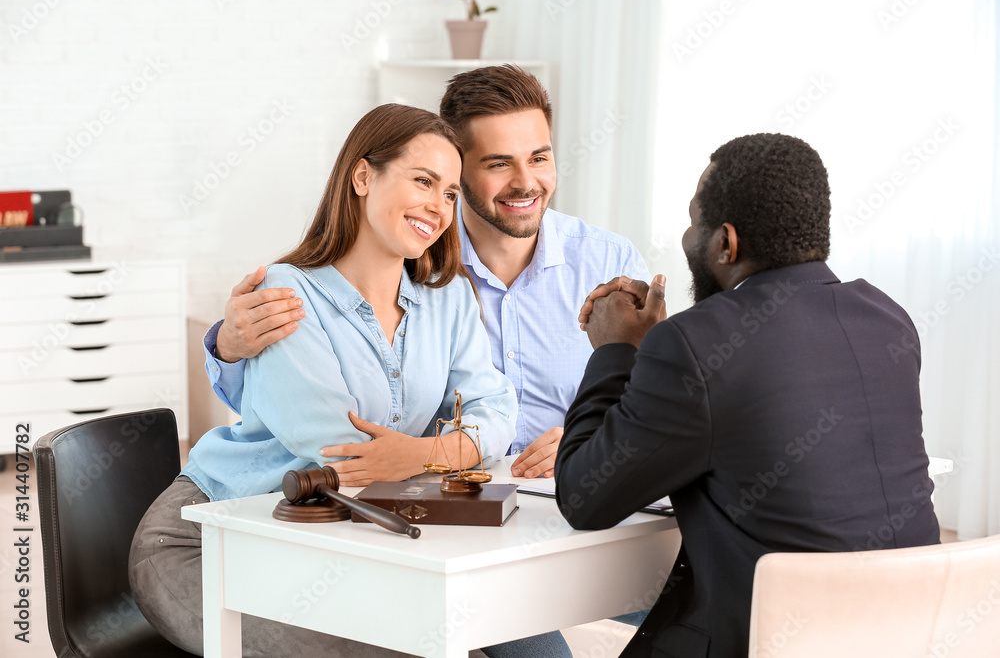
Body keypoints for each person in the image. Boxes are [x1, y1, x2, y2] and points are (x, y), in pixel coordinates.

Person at [201, 64, 651, 656]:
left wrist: (591, 431)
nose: (525, 182)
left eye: (539, 157)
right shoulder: (406, 268)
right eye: (497, 164)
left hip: (548, 507)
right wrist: (226, 346)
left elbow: (661, 403)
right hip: (430, 519)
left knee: (705, 587)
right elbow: (323, 421)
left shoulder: (603, 262)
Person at [129, 103, 517, 657]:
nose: (438, 206)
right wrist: (451, 450)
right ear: (363, 177)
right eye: (424, 181)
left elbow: (498, 409)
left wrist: (423, 454)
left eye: (451, 193)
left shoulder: (448, 299)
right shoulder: (287, 293)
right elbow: (342, 451)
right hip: (211, 538)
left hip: (326, 540)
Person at [558, 133, 941, 658]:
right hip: (900, 636)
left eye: (695, 220)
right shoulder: (887, 318)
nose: (688, 234)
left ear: (726, 243)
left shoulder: (694, 343)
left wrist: (616, 349)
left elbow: (584, 497)